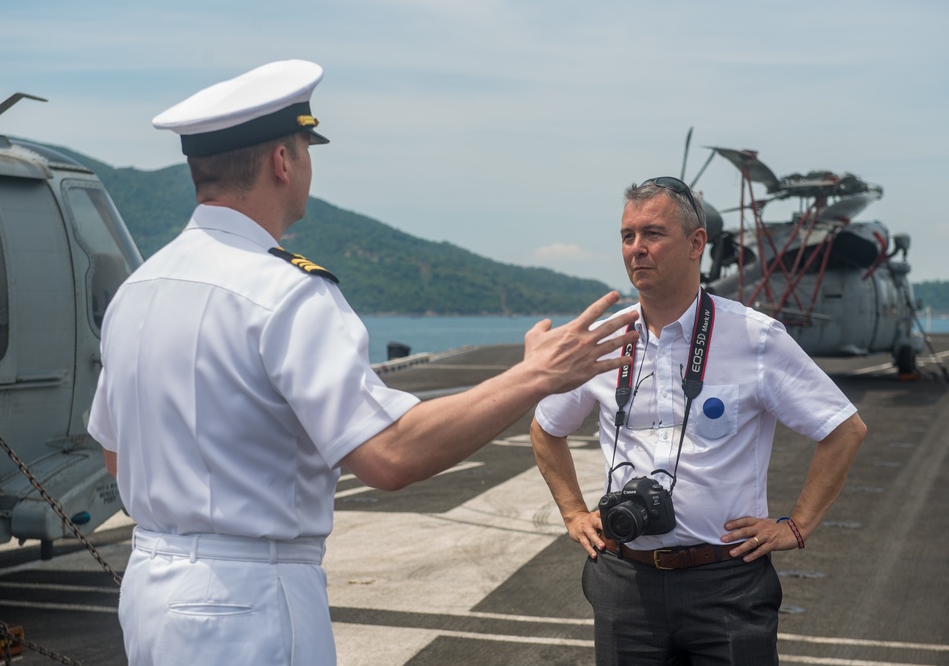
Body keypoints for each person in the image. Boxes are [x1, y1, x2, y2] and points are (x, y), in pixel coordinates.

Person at [87, 59, 639, 666]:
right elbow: (390, 455)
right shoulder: (285, 292)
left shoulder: (138, 289)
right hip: (250, 599)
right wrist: (536, 375)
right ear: (281, 162)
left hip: (150, 591)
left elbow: (118, 455)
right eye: (303, 147)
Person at [530, 176, 867, 665]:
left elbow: (843, 428)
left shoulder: (755, 338)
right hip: (626, 583)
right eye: (628, 236)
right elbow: (545, 428)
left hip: (725, 585)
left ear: (696, 243)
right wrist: (572, 512)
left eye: (653, 234)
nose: (637, 249)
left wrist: (797, 526)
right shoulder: (604, 342)